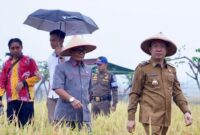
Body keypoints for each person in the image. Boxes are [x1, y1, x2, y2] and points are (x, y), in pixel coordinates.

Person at [127, 33, 192, 135]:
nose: (159, 49)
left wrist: (186, 111)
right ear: (150, 49)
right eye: (155, 46)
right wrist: (131, 118)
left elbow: (177, 93)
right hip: (150, 117)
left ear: (166, 50)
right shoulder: (143, 68)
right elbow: (134, 93)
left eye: (162, 46)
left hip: (165, 118)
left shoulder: (171, 70)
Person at [52, 36, 96, 131]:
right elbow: (57, 88)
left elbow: (90, 90)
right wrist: (72, 99)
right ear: (71, 51)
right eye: (78, 50)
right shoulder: (61, 68)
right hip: (65, 115)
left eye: (83, 50)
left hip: (84, 116)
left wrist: (88, 100)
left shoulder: (88, 70)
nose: (82, 52)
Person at [0, 38, 41, 127]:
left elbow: (38, 77)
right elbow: (2, 82)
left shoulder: (29, 60)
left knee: (27, 127)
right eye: (12, 48)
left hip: (26, 100)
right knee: (12, 127)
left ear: (21, 47)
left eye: (17, 47)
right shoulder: (5, 64)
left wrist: (24, 82)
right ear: (9, 49)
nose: (15, 50)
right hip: (11, 100)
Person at [47, 29, 69, 123]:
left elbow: (70, 75)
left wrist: (63, 59)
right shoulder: (50, 58)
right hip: (51, 96)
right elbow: (50, 78)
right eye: (50, 40)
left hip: (64, 95)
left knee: (64, 123)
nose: (51, 42)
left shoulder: (69, 56)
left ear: (62, 41)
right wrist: (47, 96)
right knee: (52, 123)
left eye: (54, 40)